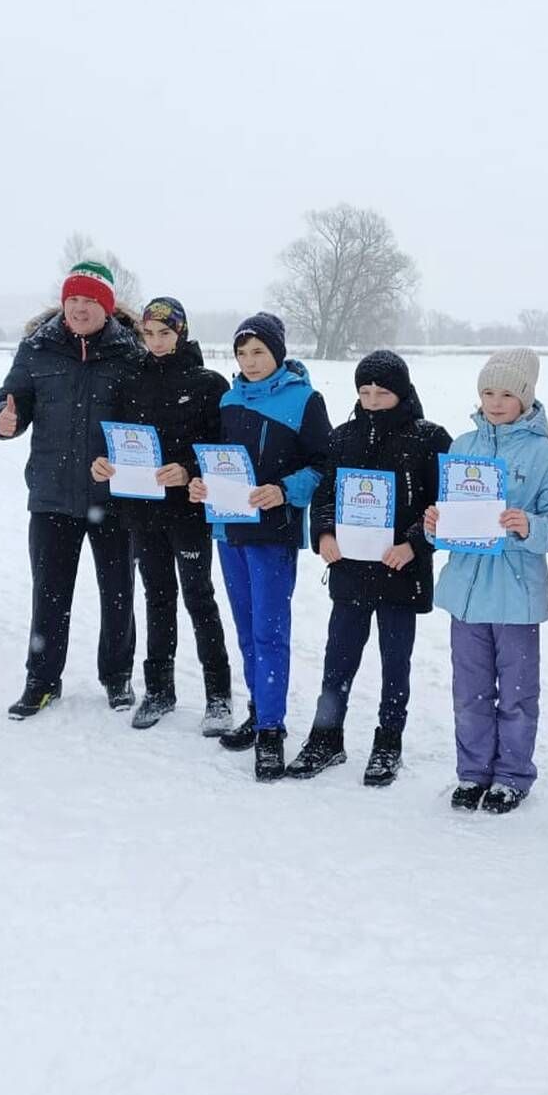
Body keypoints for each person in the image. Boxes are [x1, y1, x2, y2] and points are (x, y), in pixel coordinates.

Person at [0, 260, 142, 719]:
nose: (79, 308)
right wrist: (2, 420)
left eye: (89, 301)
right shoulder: (37, 349)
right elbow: (10, 399)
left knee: (118, 591)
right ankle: (41, 680)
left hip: (113, 498)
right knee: (49, 591)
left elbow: (144, 421)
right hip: (52, 494)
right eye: (72, 299)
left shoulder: (130, 353)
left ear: (107, 308)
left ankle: (117, 677)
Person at [291, 350, 452, 785]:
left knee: (395, 660)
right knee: (337, 659)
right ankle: (326, 736)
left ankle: (388, 742)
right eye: (365, 391)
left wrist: (413, 545)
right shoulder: (343, 437)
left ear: (402, 392)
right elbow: (325, 494)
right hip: (350, 570)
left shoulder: (430, 438)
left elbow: (444, 505)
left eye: (383, 391)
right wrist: (324, 535)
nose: (374, 399)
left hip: (400, 571)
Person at [189, 312, 332, 781]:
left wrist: (285, 490)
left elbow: (322, 466)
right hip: (230, 531)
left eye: (259, 352)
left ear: (278, 353)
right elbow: (219, 461)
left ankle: (272, 730)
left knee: (270, 632)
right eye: (242, 353)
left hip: (273, 534)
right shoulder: (229, 400)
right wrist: (202, 486)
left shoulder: (304, 400)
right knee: (247, 630)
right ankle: (257, 710)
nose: (250, 362)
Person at [424, 347, 548, 813]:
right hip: (465, 591)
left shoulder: (547, 454)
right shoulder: (462, 446)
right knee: (469, 693)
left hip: (516, 594)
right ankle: (472, 771)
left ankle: (512, 774)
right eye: (488, 392)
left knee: (519, 694)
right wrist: (434, 523)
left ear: (526, 397)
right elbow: (448, 520)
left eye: (507, 393)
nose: (496, 401)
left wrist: (528, 526)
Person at [90, 296, 233, 734]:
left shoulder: (209, 384)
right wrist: (103, 463)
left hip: (187, 512)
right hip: (141, 509)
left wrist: (188, 468)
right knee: (157, 598)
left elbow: (221, 449)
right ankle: (159, 690)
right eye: (148, 333)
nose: (155, 342)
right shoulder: (129, 379)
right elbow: (113, 438)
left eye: (165, 333)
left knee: (198, 599)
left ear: (182, 333)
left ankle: (219, 697)